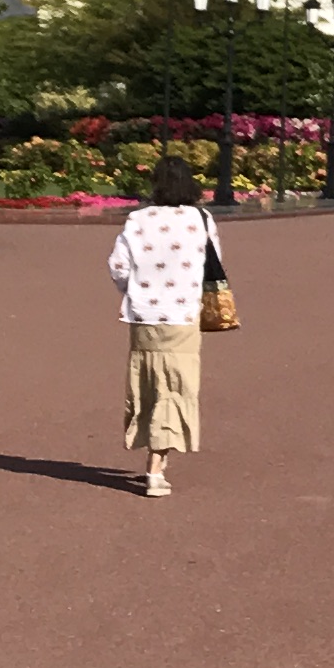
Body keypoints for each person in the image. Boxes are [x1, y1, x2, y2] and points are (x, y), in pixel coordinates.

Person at [108, 154, 219, 496]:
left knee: (150, 384)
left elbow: (118, 266)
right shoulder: (201, 219)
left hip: (144, 315)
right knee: (176, 385)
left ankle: (155, 455)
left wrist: (137, 289)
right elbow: (212, 264)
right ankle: (156, 467)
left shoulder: (137, 220)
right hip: (182, 314)